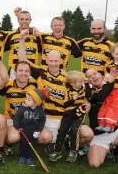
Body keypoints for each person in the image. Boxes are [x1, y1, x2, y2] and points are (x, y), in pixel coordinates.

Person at [16, 29, 94, 159]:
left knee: (88, 134)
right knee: (45, 138)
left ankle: (69, 141)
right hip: (46, 118)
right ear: (46, 60)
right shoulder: (41, 73)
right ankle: (50, 143)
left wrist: (87, 103)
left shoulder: (68, 78)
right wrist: (22, 40)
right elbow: (22, 60)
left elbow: (82, 94)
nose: (53, 64)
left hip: (64, 118)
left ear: (61, 61)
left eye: (55, 61)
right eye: (50, 61)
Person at [0, 61, 53, 156]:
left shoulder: (36, 84)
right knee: (12, 137)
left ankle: (31, 143)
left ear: (30, 72)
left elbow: (45, 74)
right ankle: (8, 144)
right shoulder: (7, 85)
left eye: (26, 71)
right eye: (20, 70)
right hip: (12, 119)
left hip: (32, 118)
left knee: (47, 137)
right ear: (14, 73)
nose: (24, 73)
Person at [49, 71, 91, 162]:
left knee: (74, 130)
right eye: (79, 82)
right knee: (62, 131)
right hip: (68, 113)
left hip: (79, 113)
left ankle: (73, 151)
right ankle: (57, 151)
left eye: (82, 82)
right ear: (72, 83)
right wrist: (73, 99)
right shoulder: (67, 90)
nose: (81, 83)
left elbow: (89, 96)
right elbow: (65, 104)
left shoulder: (83, 89)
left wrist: (86, 84)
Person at [3, 8, 42, 80]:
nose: (24, 21)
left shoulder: (37, 35)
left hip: (32, 70)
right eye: (22, 19)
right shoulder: (11, 35)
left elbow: (42, 53)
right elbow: (1, 51)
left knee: (31, 91)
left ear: (30, 20)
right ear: (18, 20)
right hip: (15, 70)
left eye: (27, 19)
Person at [13, 88, 48, 166]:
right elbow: (17, 118)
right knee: (23, 144)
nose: (25, 100)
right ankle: (22, 157)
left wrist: (38, 130)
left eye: (28, 100)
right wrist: (17, 127)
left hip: (34, 131)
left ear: (35, 103)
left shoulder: (40, 111)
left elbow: (42, 121)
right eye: (26, 98)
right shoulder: (22, 109)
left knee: (32, 144)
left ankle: (29, 157)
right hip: (24, 130)